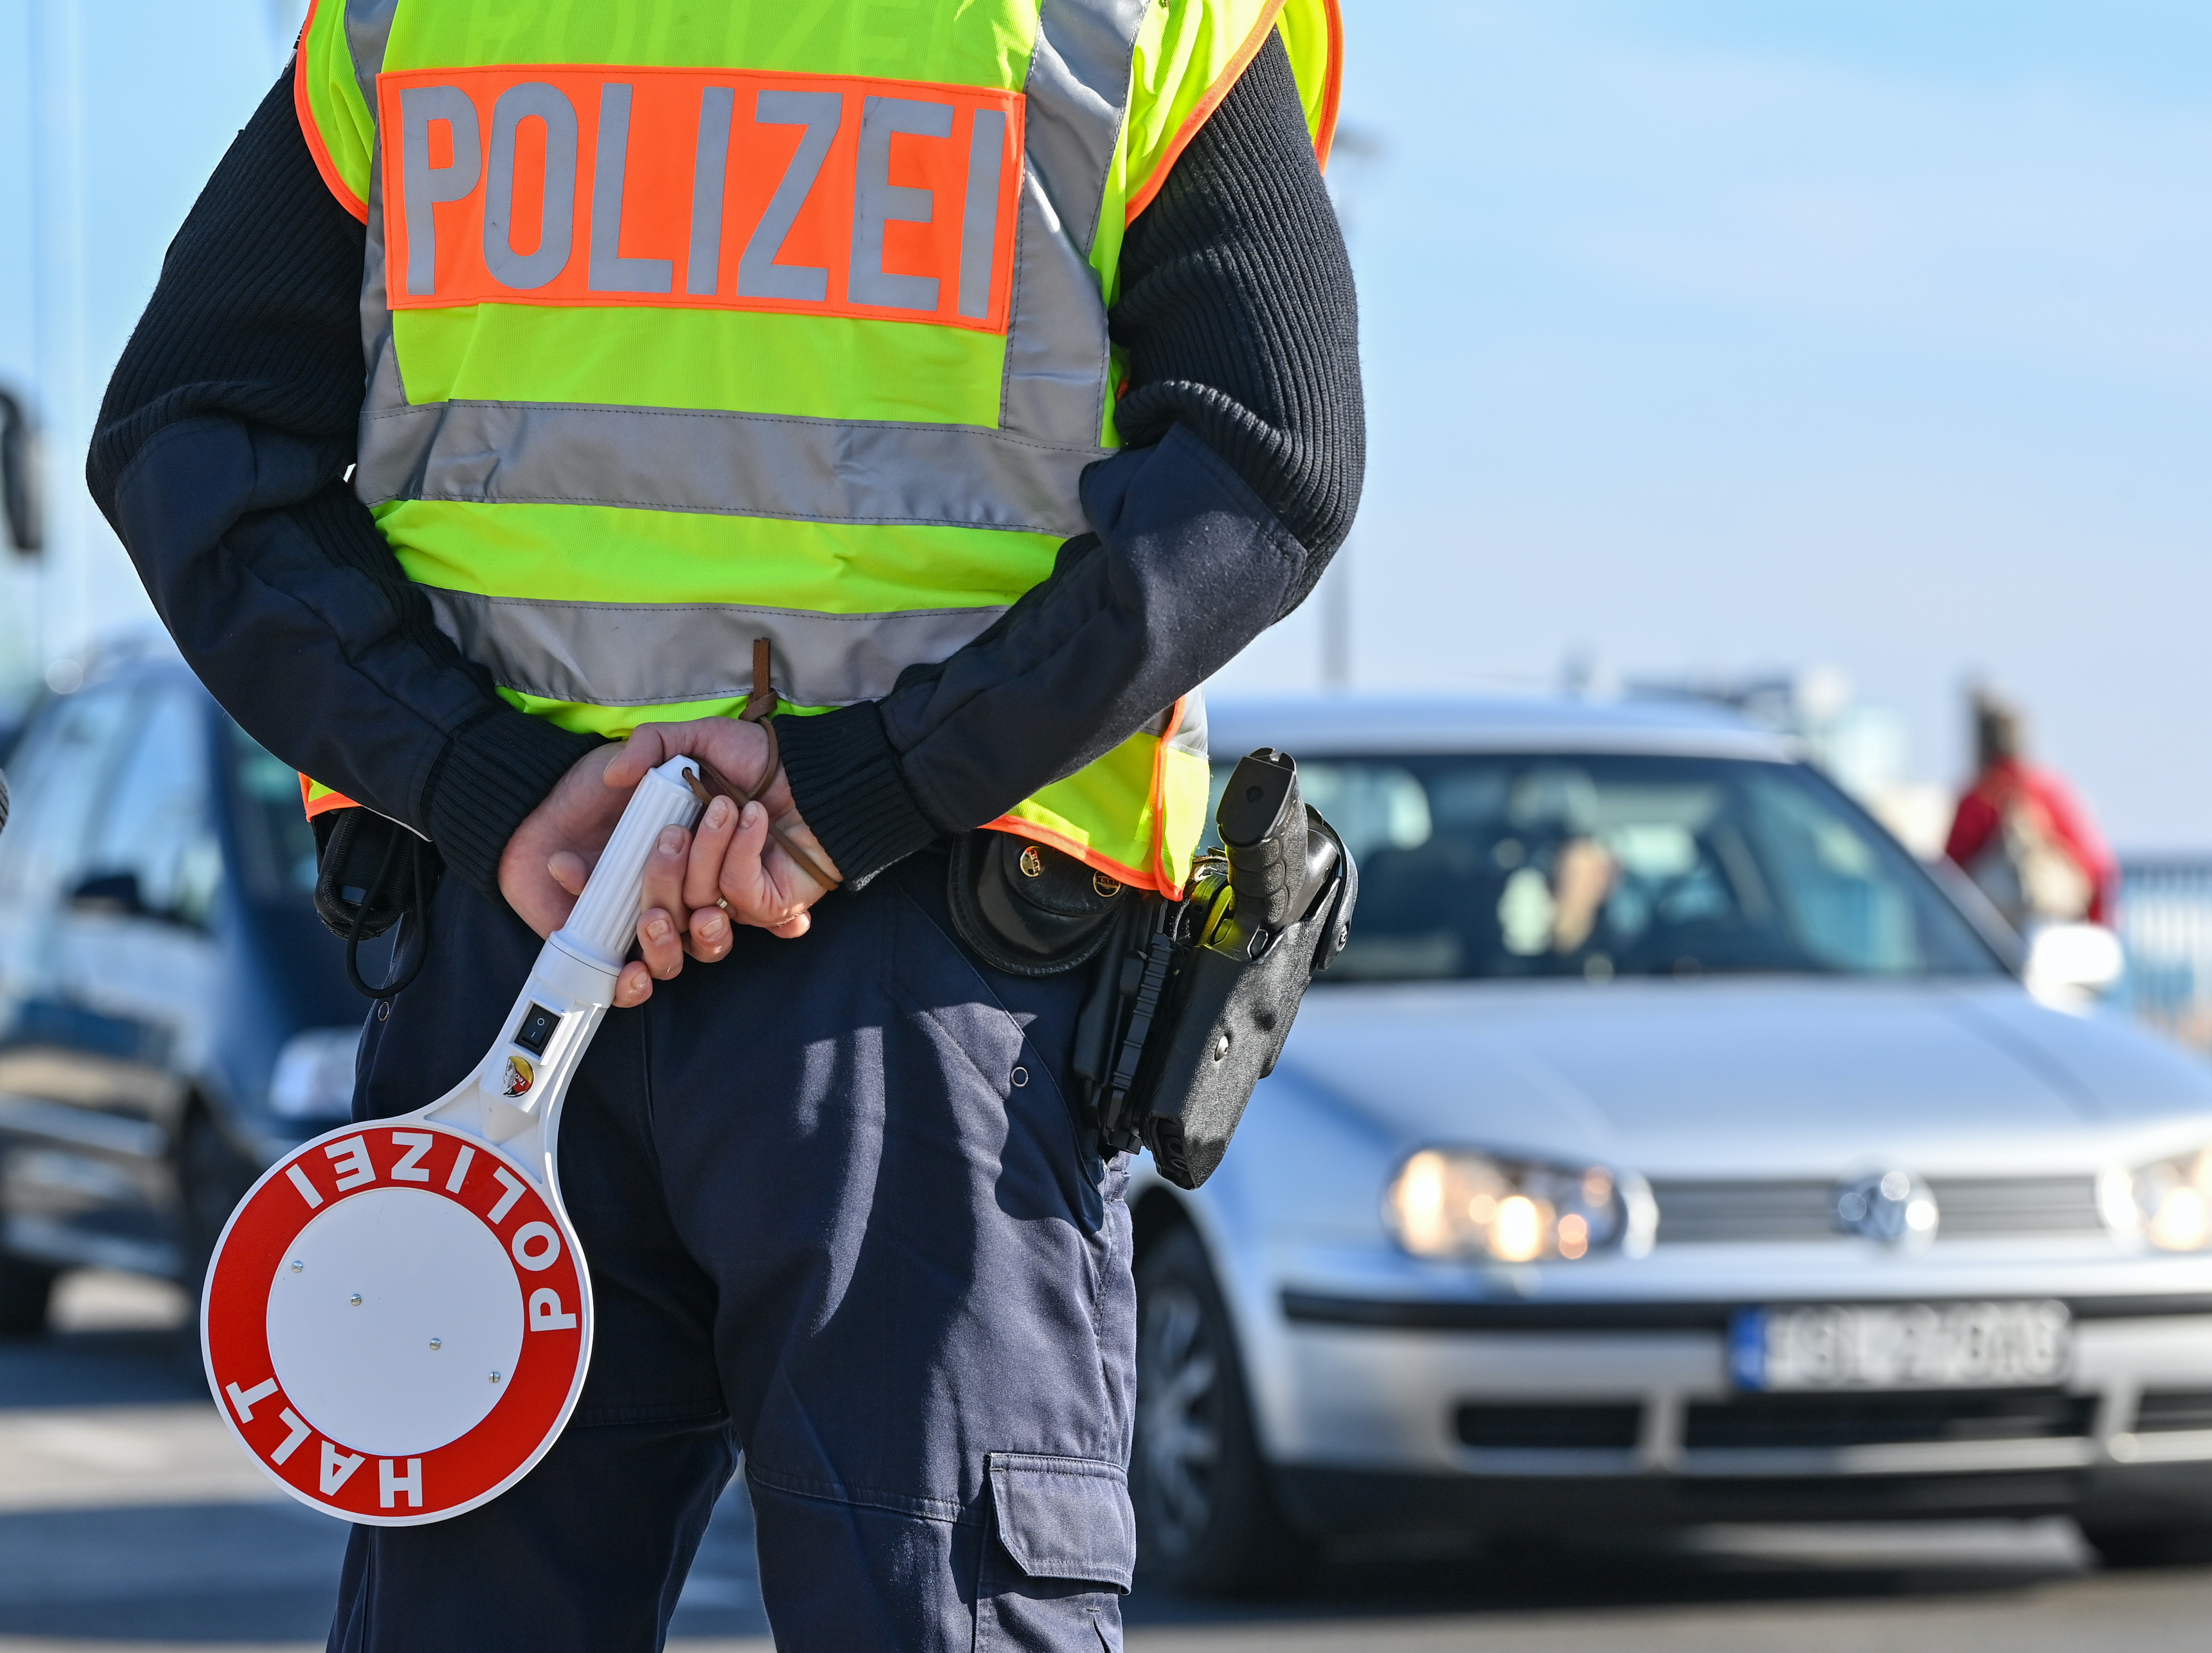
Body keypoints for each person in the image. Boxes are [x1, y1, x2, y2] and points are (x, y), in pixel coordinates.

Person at [88, 3, 1361, 1648]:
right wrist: (863, 791)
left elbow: (188, 433)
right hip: (930, 997)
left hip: (515, 955)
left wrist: (486, 783)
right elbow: (1265, 462)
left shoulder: (421, 22)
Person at [1945, 690, 2116, 932]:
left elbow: (1949, 876)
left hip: (1992, 937)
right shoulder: (2053, 792)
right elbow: (2099, 868)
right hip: (2058, 931)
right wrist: (2097, 926)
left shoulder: (1978, 799)